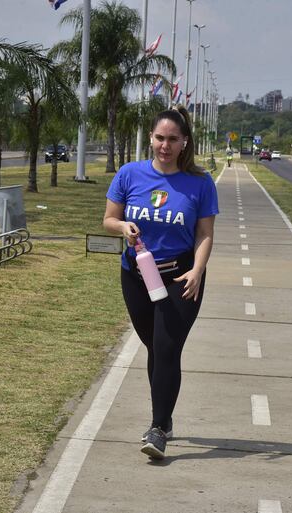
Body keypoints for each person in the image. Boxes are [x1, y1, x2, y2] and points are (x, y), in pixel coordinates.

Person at [103, 105, 219, 460]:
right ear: (151, 138)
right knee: (156, 347)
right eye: (159, 138)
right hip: (136, 274)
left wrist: (198, 270)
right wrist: (123, 227)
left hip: (180, 276)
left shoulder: (200, 183)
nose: (164, 146)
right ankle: (165, 418)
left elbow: (204, 234)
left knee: (167, 348)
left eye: (172, 139)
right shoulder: (129, 174)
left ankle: (157, 429)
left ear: (185, 142)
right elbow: (109, 219)